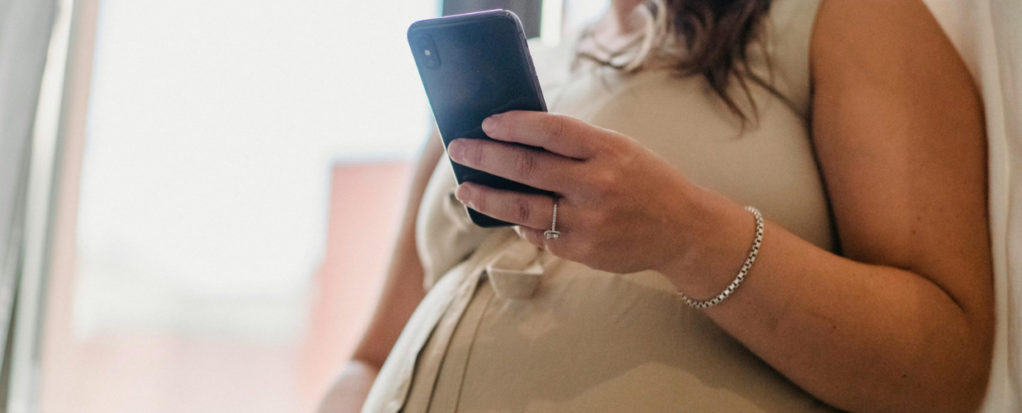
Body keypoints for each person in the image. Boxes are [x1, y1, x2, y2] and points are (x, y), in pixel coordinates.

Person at [319, 0, 994, 411]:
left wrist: (687, 236)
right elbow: (372, 357)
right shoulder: (517, 69)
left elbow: (944, 368)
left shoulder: (841, 17)